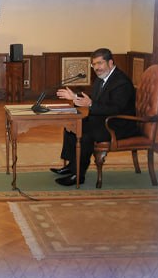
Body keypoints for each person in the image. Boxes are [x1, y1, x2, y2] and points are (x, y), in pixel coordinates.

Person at [53, 48, 138, 186]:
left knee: (86, 134)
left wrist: (91, 104)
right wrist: (75, 97)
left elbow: (116, 109)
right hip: (104, 120)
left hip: (120, 125)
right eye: (94, 64)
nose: (97, 68)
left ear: (110, 63)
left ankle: (78, 174)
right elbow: (94, 99)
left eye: (100, 63)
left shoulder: (121, 82)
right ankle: (72, 165)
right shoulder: (101, 78)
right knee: (72, 126)